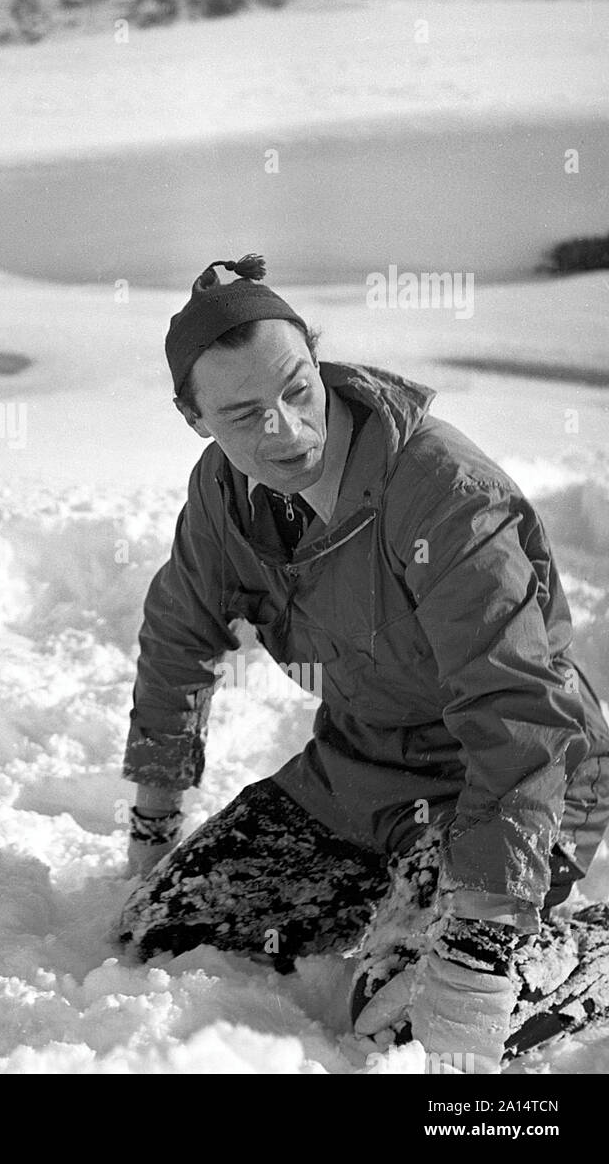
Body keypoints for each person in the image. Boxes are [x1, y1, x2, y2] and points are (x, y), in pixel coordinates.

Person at [117, 254, 609, 1071]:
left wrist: (482, 944)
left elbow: (518, 714)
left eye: (297, 389)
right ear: (195, 418)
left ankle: (578, 955)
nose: (287, 430)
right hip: (361, 772)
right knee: (165, 929)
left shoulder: (446, 498)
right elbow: (179, 633)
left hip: (523, 780)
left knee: (408, 1029)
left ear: (316, 358)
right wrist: (153, 815)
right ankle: (403, 909)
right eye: (244, 413)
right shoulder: (224, 494)